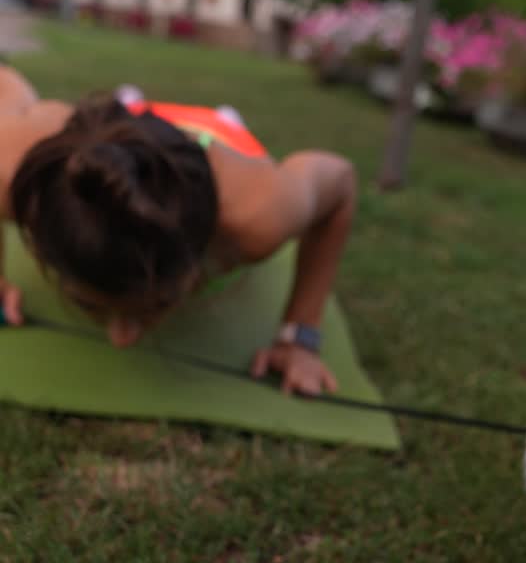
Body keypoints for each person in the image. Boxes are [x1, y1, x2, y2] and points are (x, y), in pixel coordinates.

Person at [0, 65, 357, 395]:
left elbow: (340, 181)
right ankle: (132, 106)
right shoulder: (15, 172)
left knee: (225, 126)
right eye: (86, 302)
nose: (122, 339)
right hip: (114, 140)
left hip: (217, 137)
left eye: (157, 304)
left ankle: (215, 118)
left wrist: (300, 335)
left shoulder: (257, 212)